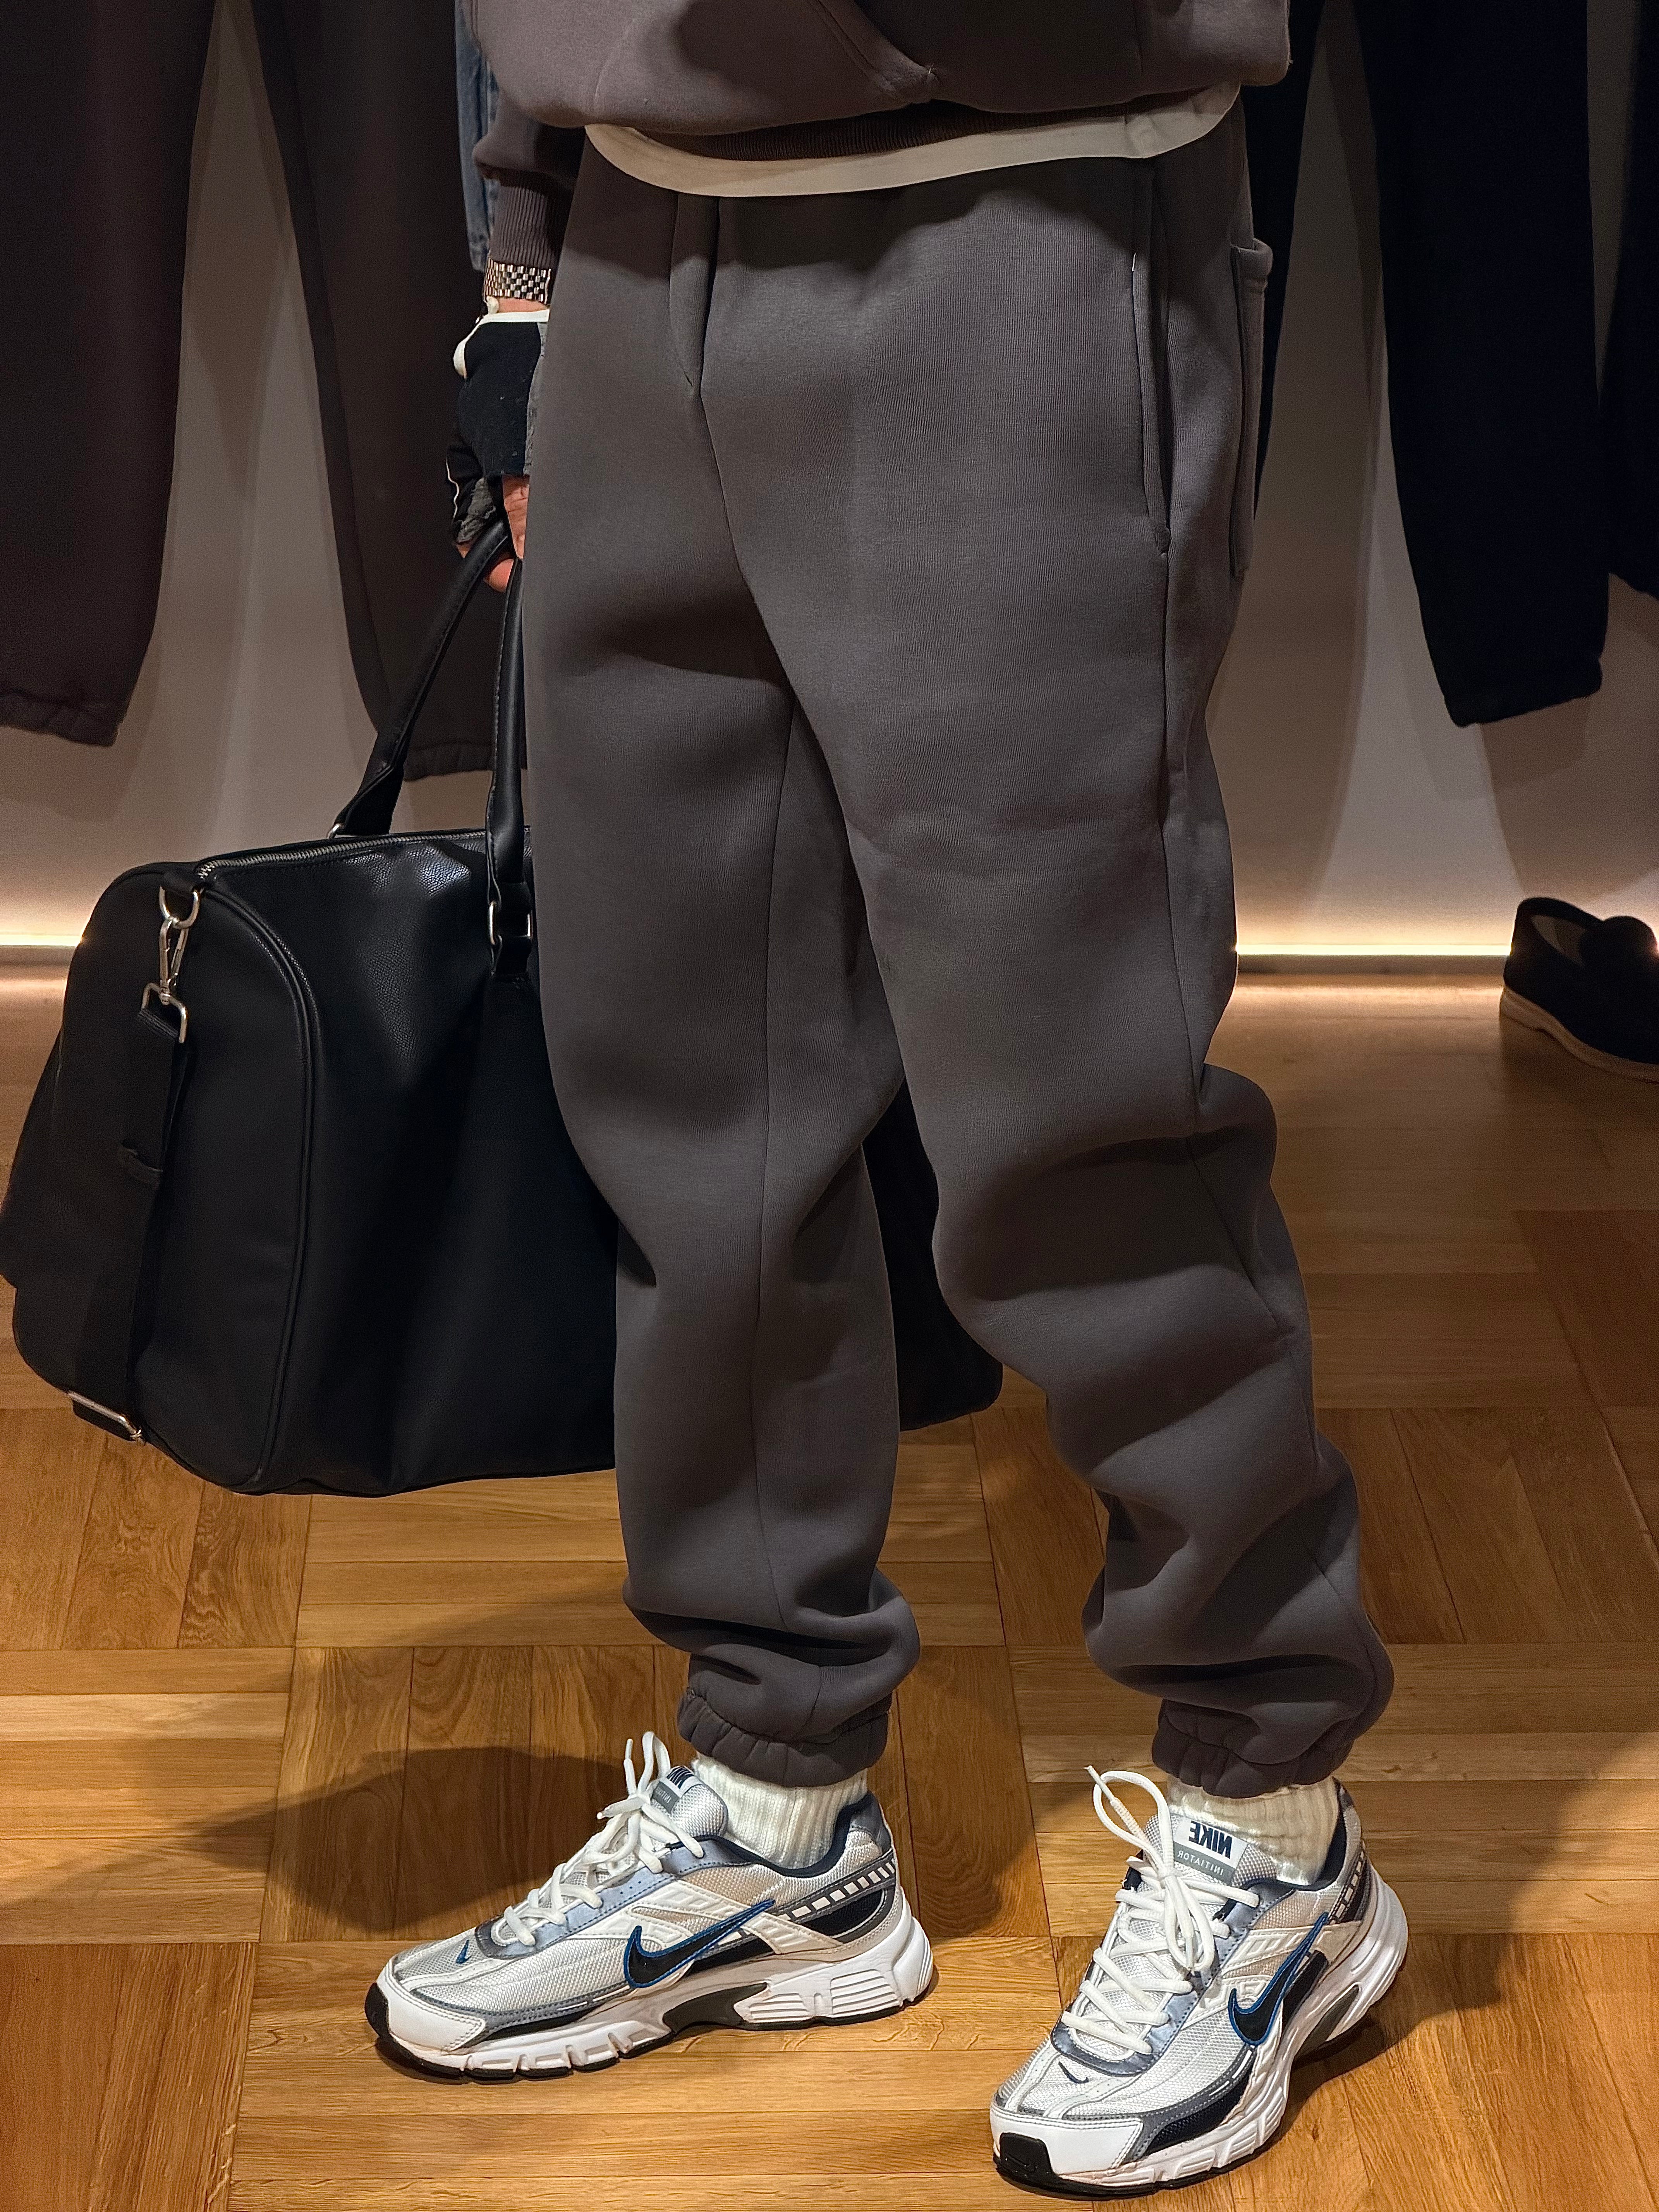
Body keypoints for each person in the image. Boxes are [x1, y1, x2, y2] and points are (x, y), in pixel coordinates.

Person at [367, 6, 1406, 2192]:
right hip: (645, 236)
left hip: (1021, 216)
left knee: (1075, 1101)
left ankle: (1275, 1813)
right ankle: (780, 1807)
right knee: (689, 1103)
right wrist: (524, 267)